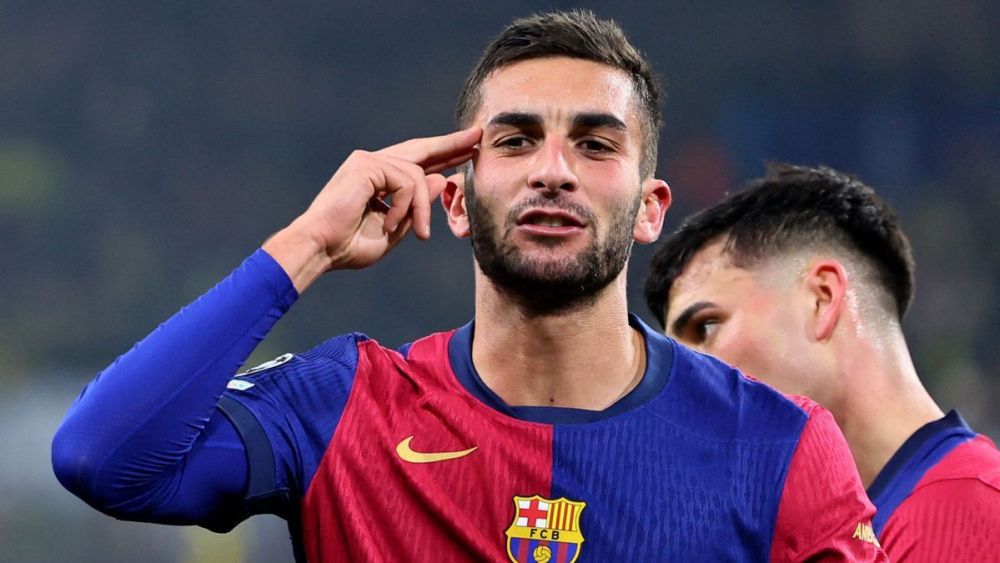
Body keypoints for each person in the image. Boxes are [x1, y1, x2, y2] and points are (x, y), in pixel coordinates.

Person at [52, 11, 886, 561]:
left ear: (648, 209)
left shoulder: (779, 447)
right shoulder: (345, 404)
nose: (553, 171)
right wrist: (305, 245)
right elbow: (103, 457)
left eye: (595, 146)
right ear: (455, 196)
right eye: (516, 141)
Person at [645, 162, 1000, 561]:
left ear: (822, 298)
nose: (685, 375)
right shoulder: (820, 537)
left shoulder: (970, 514)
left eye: (706, 327)